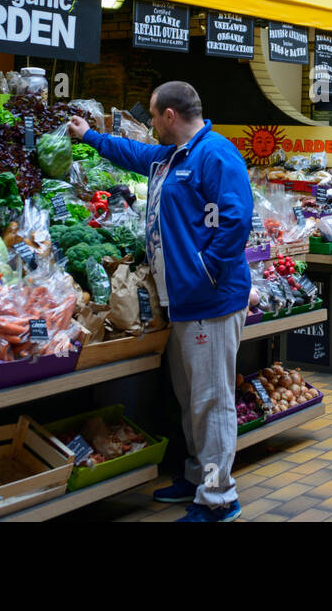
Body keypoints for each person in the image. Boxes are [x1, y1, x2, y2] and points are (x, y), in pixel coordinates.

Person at [66, 82, 253, 521]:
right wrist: (89, 135)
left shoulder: (215, 154)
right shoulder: (170, 157)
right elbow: (133, 154)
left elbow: (237, 217)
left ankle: (219, 497)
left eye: (152, 116)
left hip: (210, 302)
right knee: (191, 399)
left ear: (170, 115)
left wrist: (206, 270)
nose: (150, 124)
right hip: (183, 303)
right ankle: (197, 476)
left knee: (211, 401)